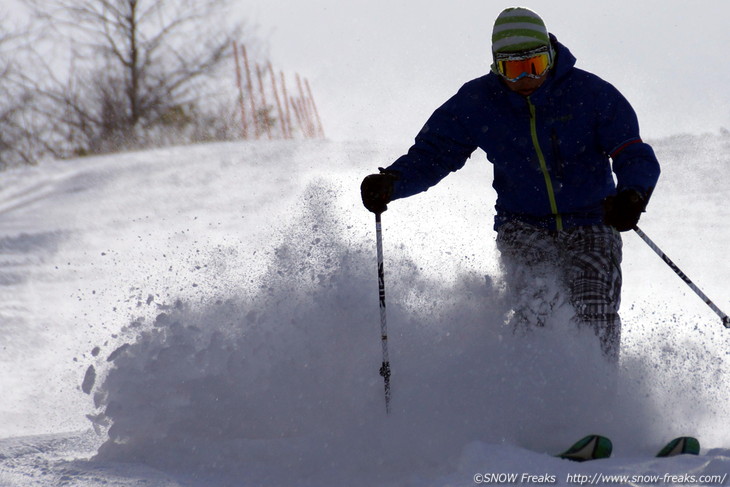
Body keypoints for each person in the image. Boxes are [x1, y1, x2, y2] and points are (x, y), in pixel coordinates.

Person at [360, 7, 660, 363]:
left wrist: (632, 194)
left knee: (593, 307)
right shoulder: (479, 102)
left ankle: (597, 400)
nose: (526, 78)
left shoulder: (590, 94)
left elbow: (631, 151)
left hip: (592, 220)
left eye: (535, 64)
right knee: (537, 309)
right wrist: (393, 182)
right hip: (523, 224)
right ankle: (531, 398)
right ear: (496, 67)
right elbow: (434, 154)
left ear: (551, 54)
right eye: (513, 69)